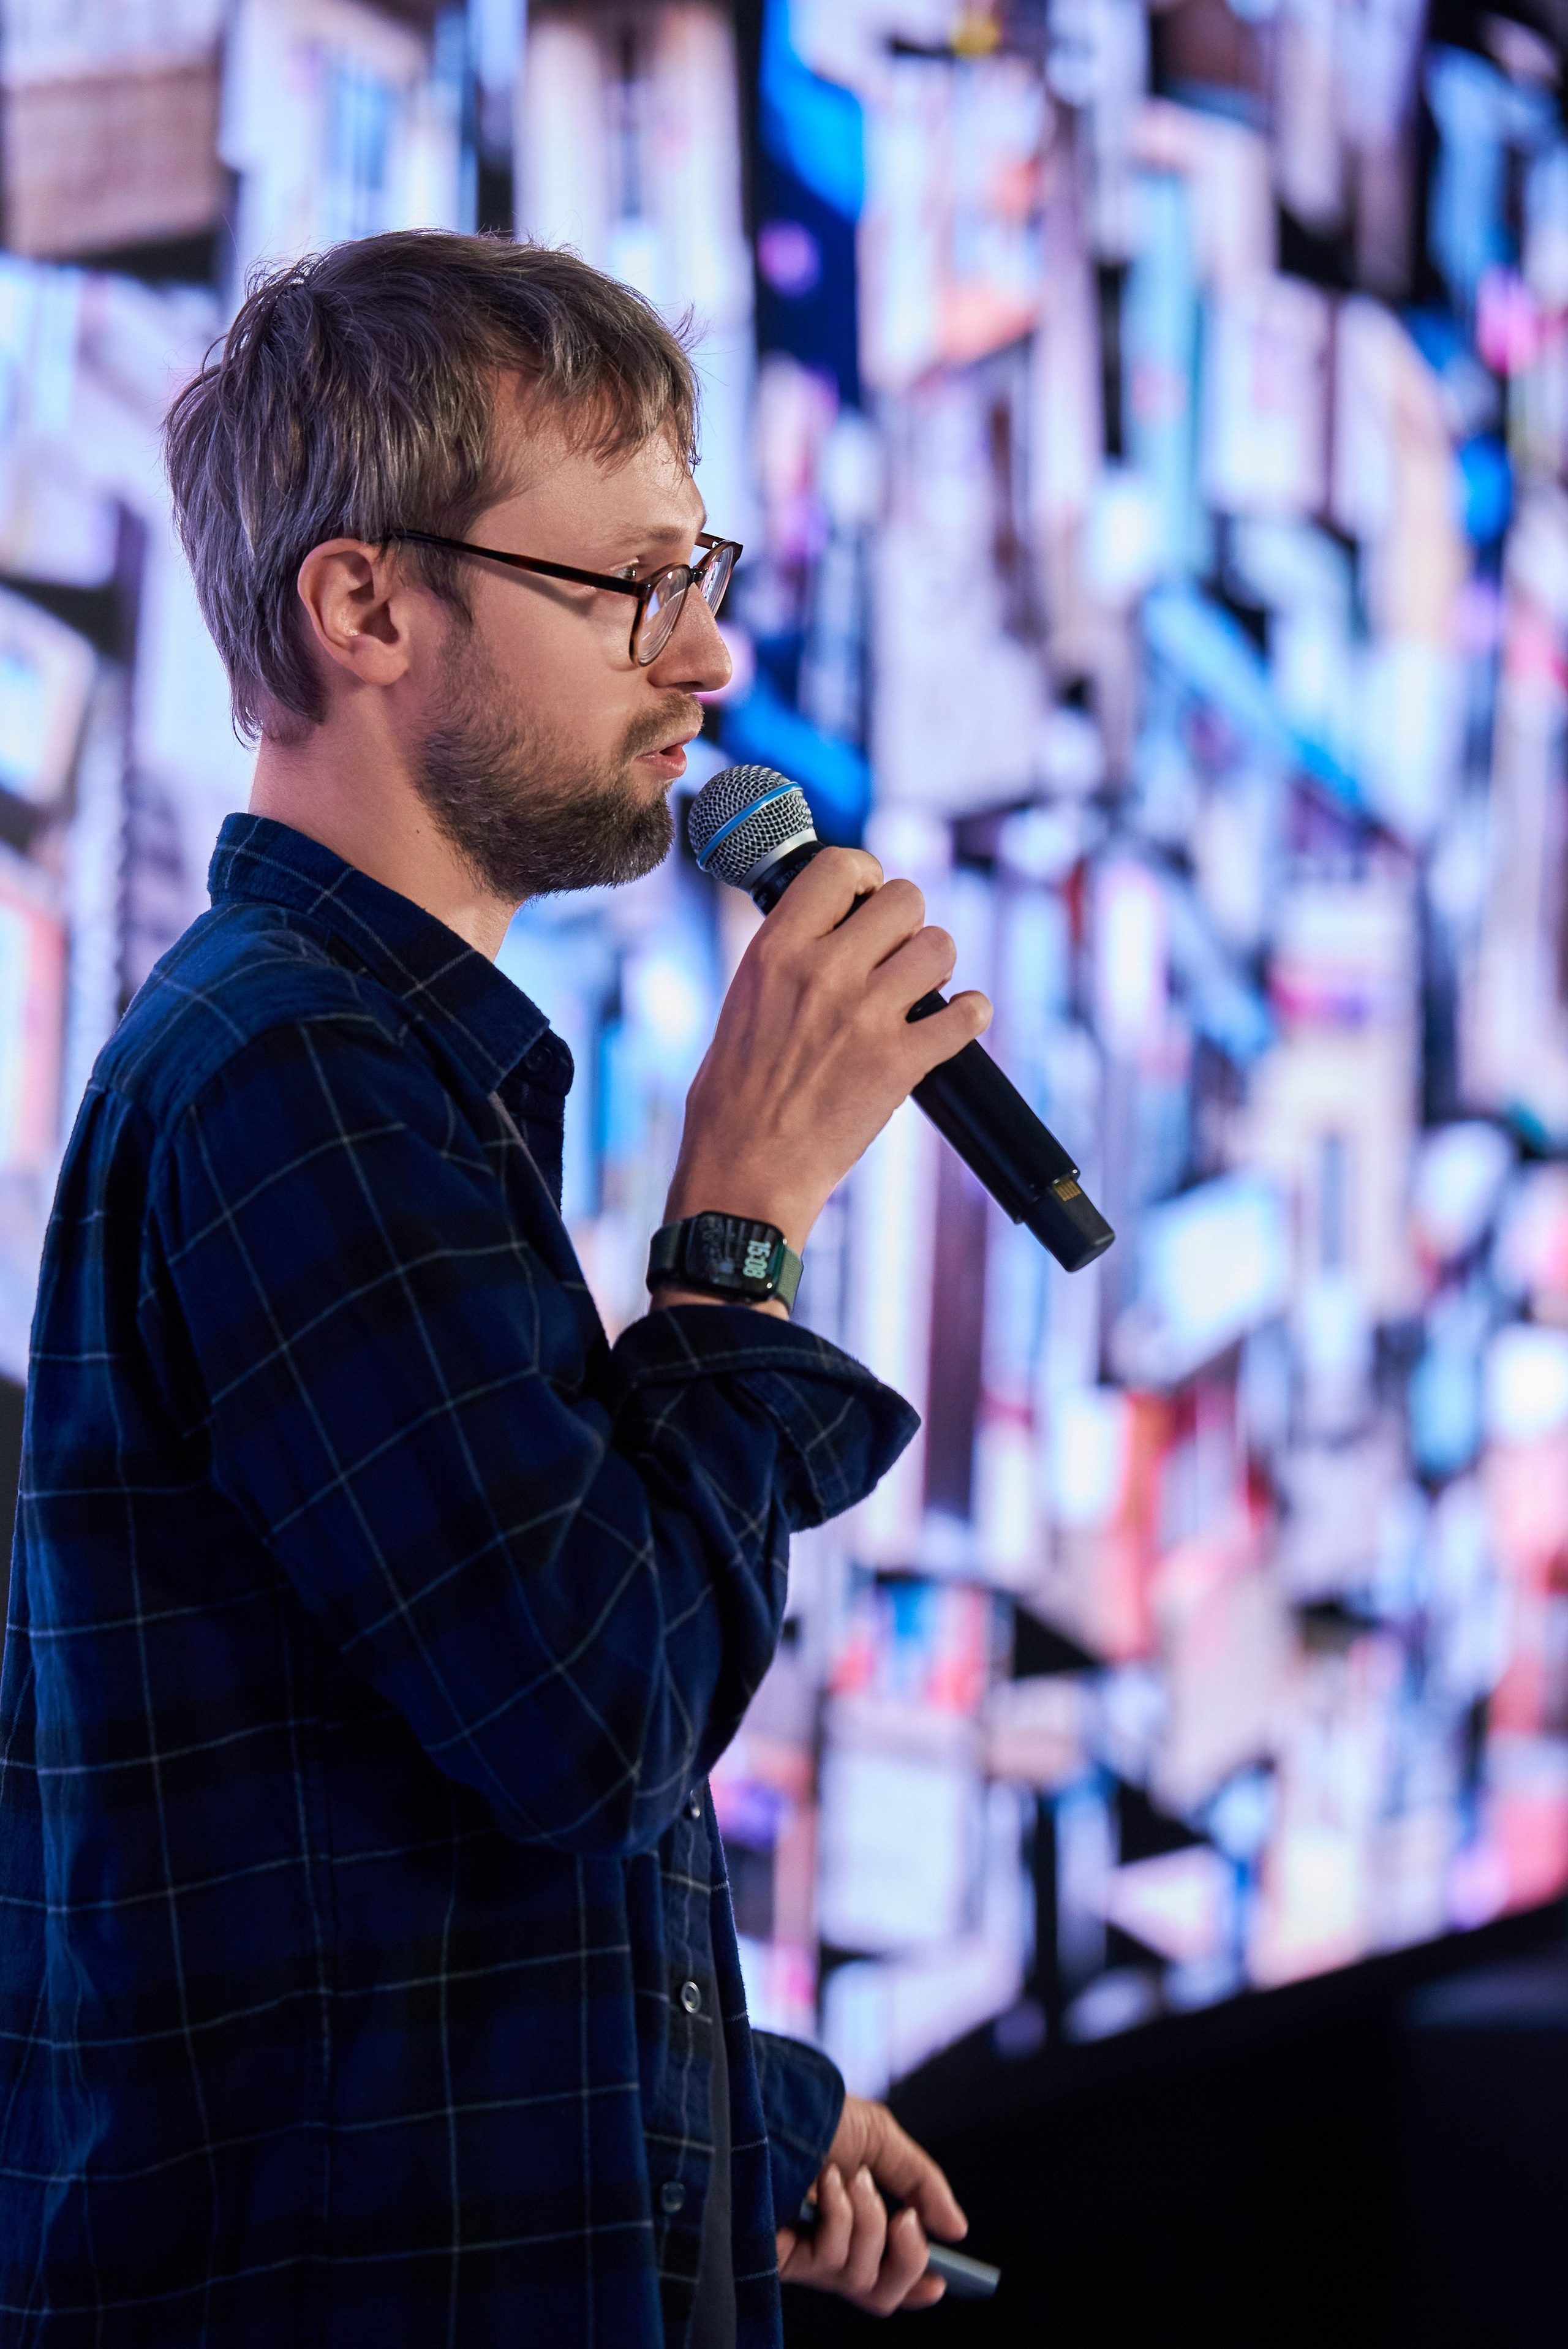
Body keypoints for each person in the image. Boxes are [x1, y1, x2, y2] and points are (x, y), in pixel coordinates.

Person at [0, 233, 990, 2347]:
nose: (704, 655)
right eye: (629, 582)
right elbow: (588, 1714)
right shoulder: (291, 1074)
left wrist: (740, 2120)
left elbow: (403, 1859)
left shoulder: (368, 1060)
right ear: (364, 607)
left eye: (697, 571)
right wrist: (739, 1221)